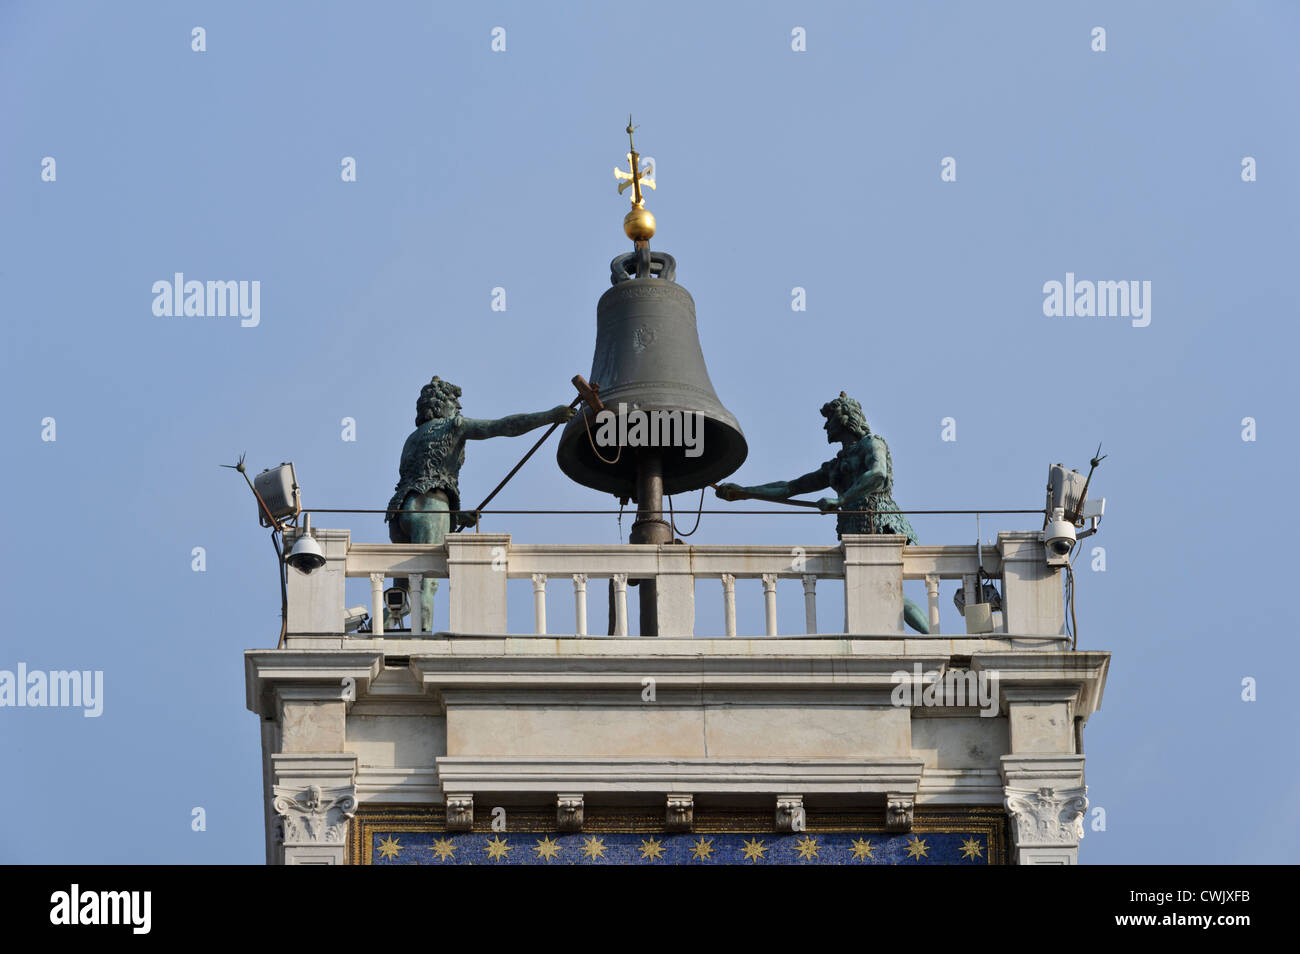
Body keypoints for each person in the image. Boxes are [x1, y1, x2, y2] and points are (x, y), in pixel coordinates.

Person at [715, 392, 930, 633]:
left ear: (845, 419)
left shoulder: (872, 443)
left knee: (885, 586)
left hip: (877, 522)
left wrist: (841, 499)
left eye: (830, 419)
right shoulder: (835, 466)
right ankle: (926, 636)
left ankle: (931, 636)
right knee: (873, 588)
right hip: (854, 528)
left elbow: (878, 473)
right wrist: (745, 492)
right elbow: (790, 487)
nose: (826, 425)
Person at [385, 376, 574, 628]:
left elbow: (422, 476)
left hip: (399, 511)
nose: (459, 409)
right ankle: (421, 640)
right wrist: (550, 416)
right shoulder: (454, 425)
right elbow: (504, 426)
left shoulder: (412, 438)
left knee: (402, 590)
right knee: (426, 583)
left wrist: (456, 515)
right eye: (455, 402)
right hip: (432, 507)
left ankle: (382, 629)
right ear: (443, 405)